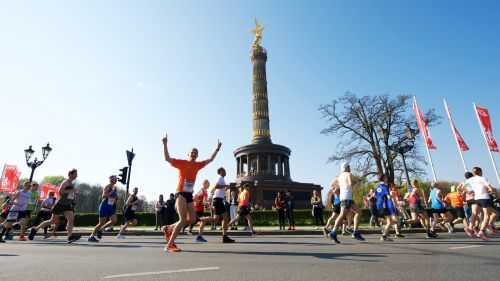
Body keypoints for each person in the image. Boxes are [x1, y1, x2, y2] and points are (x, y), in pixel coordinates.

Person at [162, 133, 222, 253]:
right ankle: (169, 244)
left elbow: (210, 160)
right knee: (183, 219)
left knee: (192, 219)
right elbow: (167, 159)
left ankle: (168, 228)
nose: (194, 154)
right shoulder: (182, 163)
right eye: (192, 152)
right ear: (188, 154)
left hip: (189, 195)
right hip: (181, 193)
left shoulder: (198, 165)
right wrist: (165, 144)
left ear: (197, 155)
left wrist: (217, 149)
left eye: (196, 153)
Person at [28, 169, 81, 243]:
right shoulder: (65, 182)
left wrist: (74, 196)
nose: (76, 176)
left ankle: (70, 236)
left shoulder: (71, 183)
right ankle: (35, 229)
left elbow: (69, 194)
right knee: (52, 221)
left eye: (76, 174)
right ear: (70, 174)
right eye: (75, 174)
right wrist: (71, 191)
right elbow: (60, 192)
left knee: (71, 219)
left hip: (68, 205)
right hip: (60, 204)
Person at [195, 167, 235, 243]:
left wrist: (224, 188)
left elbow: (216, 188)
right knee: (217, 218)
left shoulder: (222, 179)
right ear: (221, 172)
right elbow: (216, 186)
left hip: (219, 200)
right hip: (217, 200)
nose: (225, 172)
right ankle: (200, 219)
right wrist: (225, 186)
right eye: (224, 171)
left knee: (224, 217)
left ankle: (224, 236)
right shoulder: (220, 177)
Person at [329, 163, 364, 243]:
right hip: (348, 198)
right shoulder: (348, 174)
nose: (350, 168)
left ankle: (334, 232)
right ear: (346, 167)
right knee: (357, 212)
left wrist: (338, 187)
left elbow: (331, 184)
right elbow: (351, 183)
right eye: (349, 166)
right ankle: (354, 232)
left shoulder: (339, 176)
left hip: (343, 197)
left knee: (344, 214)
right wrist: (357, 181)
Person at [465, 167, 497, 240]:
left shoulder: (470, 180)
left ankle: (470, 228)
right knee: (487, 215)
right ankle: (481, 232)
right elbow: (490, 188)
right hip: (484, 198)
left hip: (476, 198)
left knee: (475, 213)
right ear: (480, 172)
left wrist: (470, 191)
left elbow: (463, 188)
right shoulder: (482, 178)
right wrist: (492, 190)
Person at [88, 176, 119, 242]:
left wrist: (116, 199)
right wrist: (111, 192)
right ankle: (91, 236)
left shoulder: (115, 187)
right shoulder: (107, 186)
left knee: (114, 220)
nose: (116, 180)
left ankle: (101, 229)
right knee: (101, 223)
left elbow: (115, 197)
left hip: (111, 207)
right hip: (104, 206)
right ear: (111, 180)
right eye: (115, 179)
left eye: (116, 179)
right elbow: (103, 196)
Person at [374, 175, 404, 241]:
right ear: (384, 178)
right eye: (386, 178)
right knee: (395, 221)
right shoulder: (385, 186)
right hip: (384, 205)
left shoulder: (377, 187)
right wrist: (394, 198)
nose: (387, 179)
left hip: (379, 205)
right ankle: (383, 229)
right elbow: (388, 197)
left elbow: (375, 196)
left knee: (389, 222)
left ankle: (384, 235)